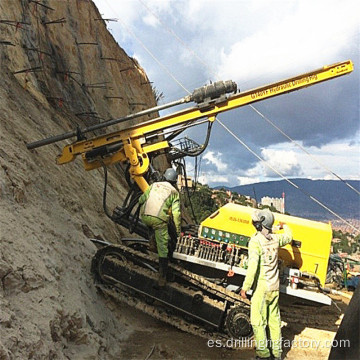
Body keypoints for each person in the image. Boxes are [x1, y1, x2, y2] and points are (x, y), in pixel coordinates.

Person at [240, 209, 292, 360]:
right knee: (274, 322)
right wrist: (284, 226)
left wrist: (245, 287)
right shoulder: (275, 239)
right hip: (274, 287)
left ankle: (263, 355)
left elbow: (252, 267)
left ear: (259, 224)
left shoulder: (255, 241)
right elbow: (289, 237)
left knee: (257, 321)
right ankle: (277, 354)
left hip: (262, 289)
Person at [139, 168, 181, 288]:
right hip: (159, 221)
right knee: (163, 248)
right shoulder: (174, 192)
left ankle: (152, 239)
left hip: (145, 216)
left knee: (151, 224)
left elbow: (141, 199)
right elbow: (176, 214)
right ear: (174, 181)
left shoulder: (154, 185)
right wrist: (177, 232)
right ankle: (162, 277)